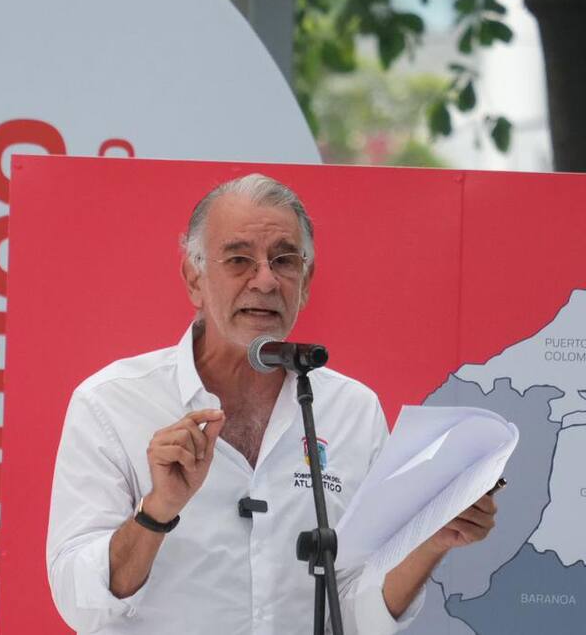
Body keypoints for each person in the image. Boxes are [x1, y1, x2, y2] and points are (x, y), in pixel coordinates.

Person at [46, 173, 497, 634]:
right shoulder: (112, 403)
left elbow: (355, 615)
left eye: (284, 260)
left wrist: (430, 541)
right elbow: (80, 604)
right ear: (194, 278)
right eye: (238, 259)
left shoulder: (352, 411)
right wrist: (156, 511)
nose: (265, 280)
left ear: (305, 280)